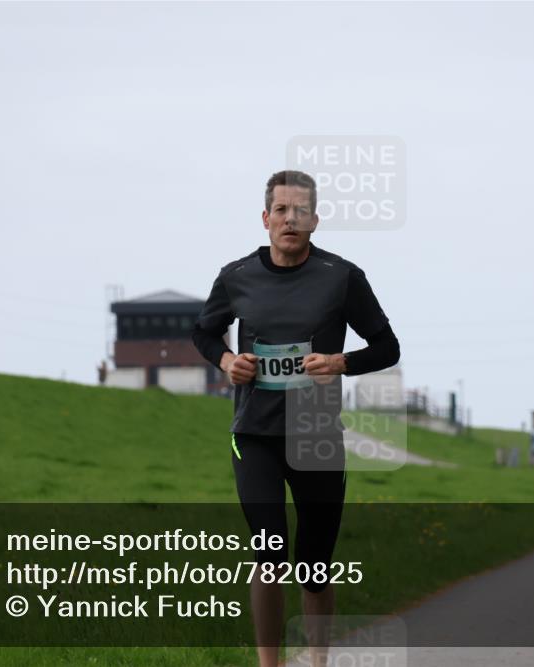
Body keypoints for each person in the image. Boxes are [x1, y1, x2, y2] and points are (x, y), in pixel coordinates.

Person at [192, 170, 400, 666]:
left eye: (300, 211)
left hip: (317, 437)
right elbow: (203, 332)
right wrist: (227, 361)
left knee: (314, 565)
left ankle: (317, 660)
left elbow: (387, 347)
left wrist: (340, 363)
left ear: (315, 219)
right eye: (281, 210)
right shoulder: (236, 276)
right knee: (268, 555)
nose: (290, 219)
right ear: (265, 219)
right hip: (255, 435)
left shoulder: (342, 276)